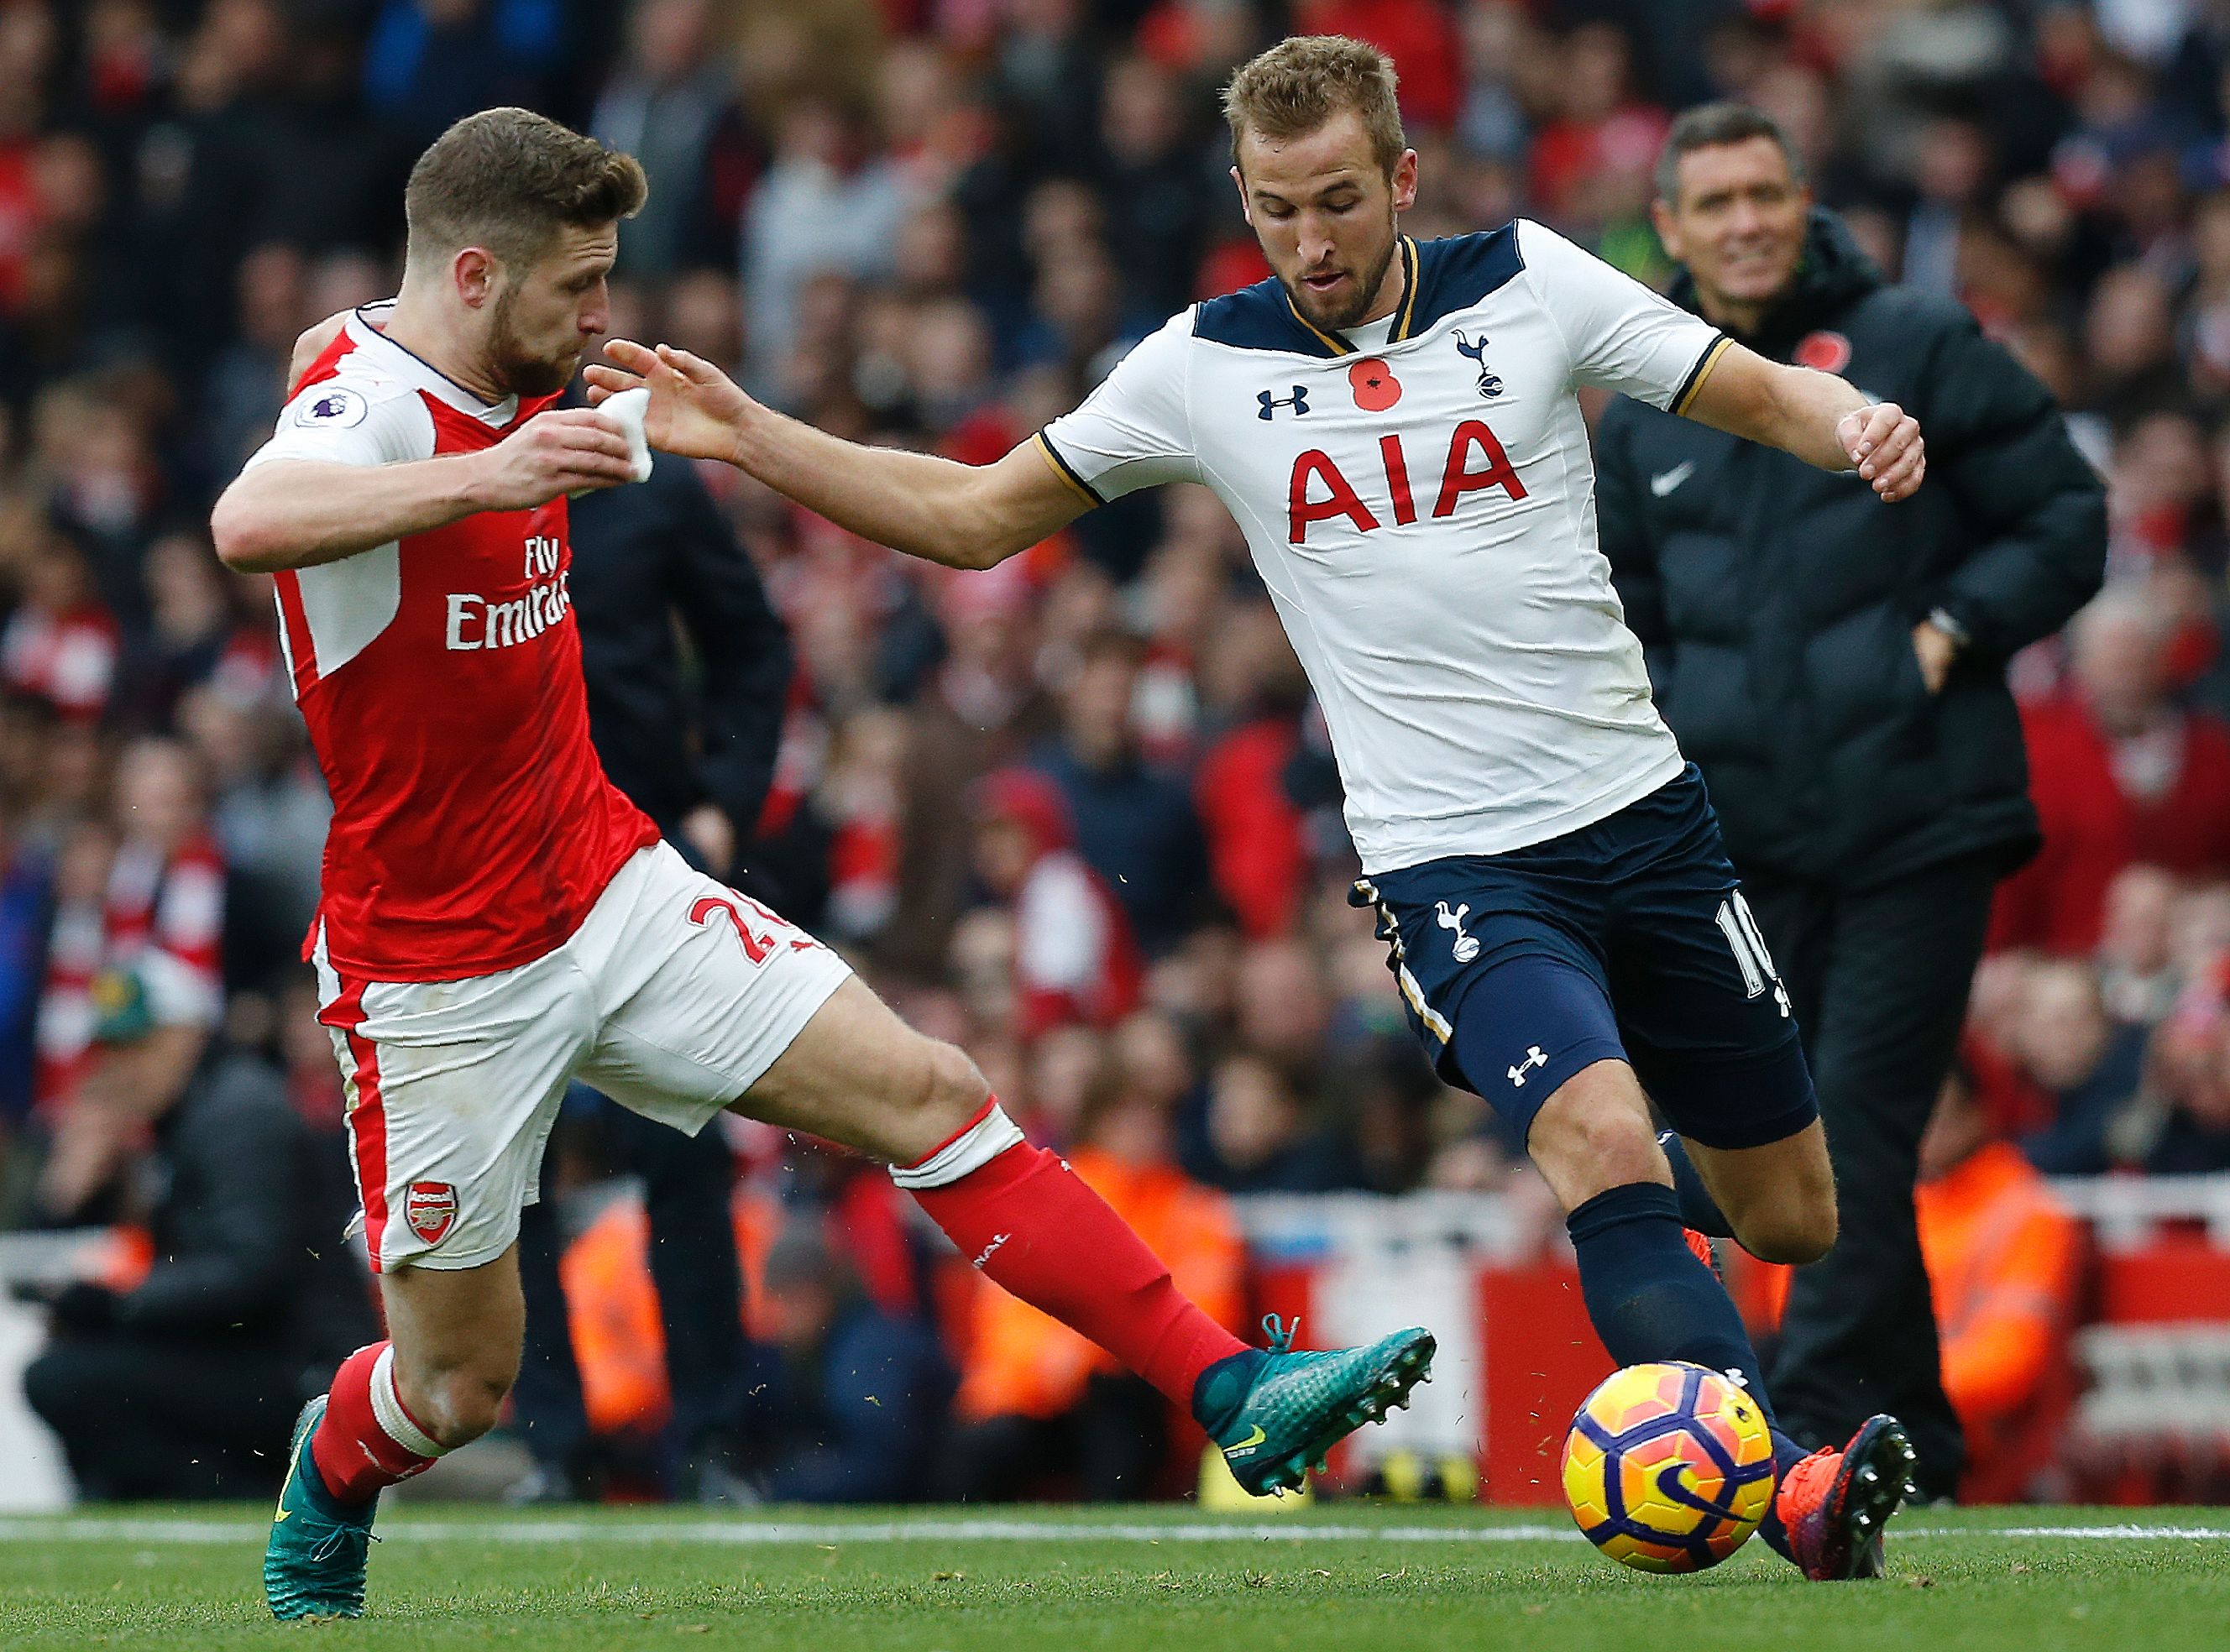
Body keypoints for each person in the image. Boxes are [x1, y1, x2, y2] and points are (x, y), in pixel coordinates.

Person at [595, 34, 1932, 1580]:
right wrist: (753, 432)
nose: (1311, 241)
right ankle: (1780, 1487)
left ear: (1403, 182)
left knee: (1791, 1217)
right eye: (1278, 207)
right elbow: (971, 520)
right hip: (1451, 861)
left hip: (1642, 815)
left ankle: (1640, 1224)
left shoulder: (1532, 284)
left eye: (1342, 202)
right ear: (1243, 193)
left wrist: (1857, 425)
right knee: (1600, 1130)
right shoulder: (1200, 366)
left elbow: (1740, 384)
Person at [211, 107, 1431, 1623]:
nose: (602, 317)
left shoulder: (490, 374)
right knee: (458, 1386)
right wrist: (492, 476)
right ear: (473, 273)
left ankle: (1232, 1382)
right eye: (577, 286)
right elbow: (247, 516)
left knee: (928, 1091)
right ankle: (333, 1472)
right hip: (437, 968)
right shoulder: (373, 407)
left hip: (606, 880)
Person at [1593, 103, 2107, 1499]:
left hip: (1914, 819)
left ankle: (1806, 1443)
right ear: (1674, 229)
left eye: (1765, 190)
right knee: (1784, 1142)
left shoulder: (1914, 346)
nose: (1746, 220)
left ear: (1803, 195)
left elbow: (2067, 514)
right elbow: (1613, 617)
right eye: (1715, 202)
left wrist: (1946, 630)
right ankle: (1914, 1443)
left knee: (1856, 1132)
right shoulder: (1643, 409)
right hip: (1743, 845)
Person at [20, 958, 377, 1499]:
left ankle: (242, 1493)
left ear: (185, 1038)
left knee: (65, 1379)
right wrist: (71, 1193)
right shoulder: (186, 1116)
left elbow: (253, 1272)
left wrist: (120, 1305)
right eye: (109, 1051)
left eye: (136, 1046)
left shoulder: (240, 1115)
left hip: (303, 1367)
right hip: (261, 1352)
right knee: (72, 1364)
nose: (118, 1067)